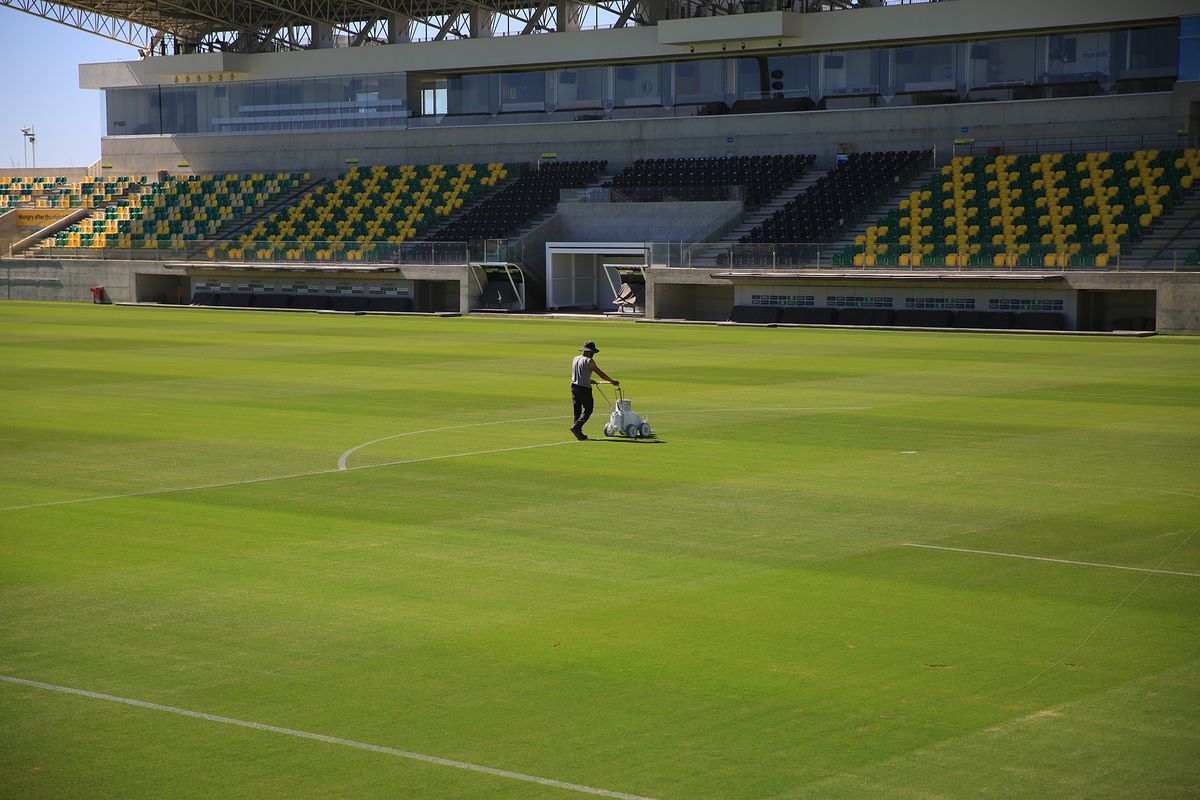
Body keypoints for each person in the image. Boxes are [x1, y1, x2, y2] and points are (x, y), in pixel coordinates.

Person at [570, 340, 617, 440]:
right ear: (589, 351)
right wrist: (612, 381)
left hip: (574, 387)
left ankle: (578, 432)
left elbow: (579, 373)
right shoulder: (589, 361)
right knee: (588, 409)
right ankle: (576, 428)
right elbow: (601, 374)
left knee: (577, 410)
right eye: (592, 352)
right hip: (584, 389)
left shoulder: (575, 358)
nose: (593, 354)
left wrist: (589, 380)